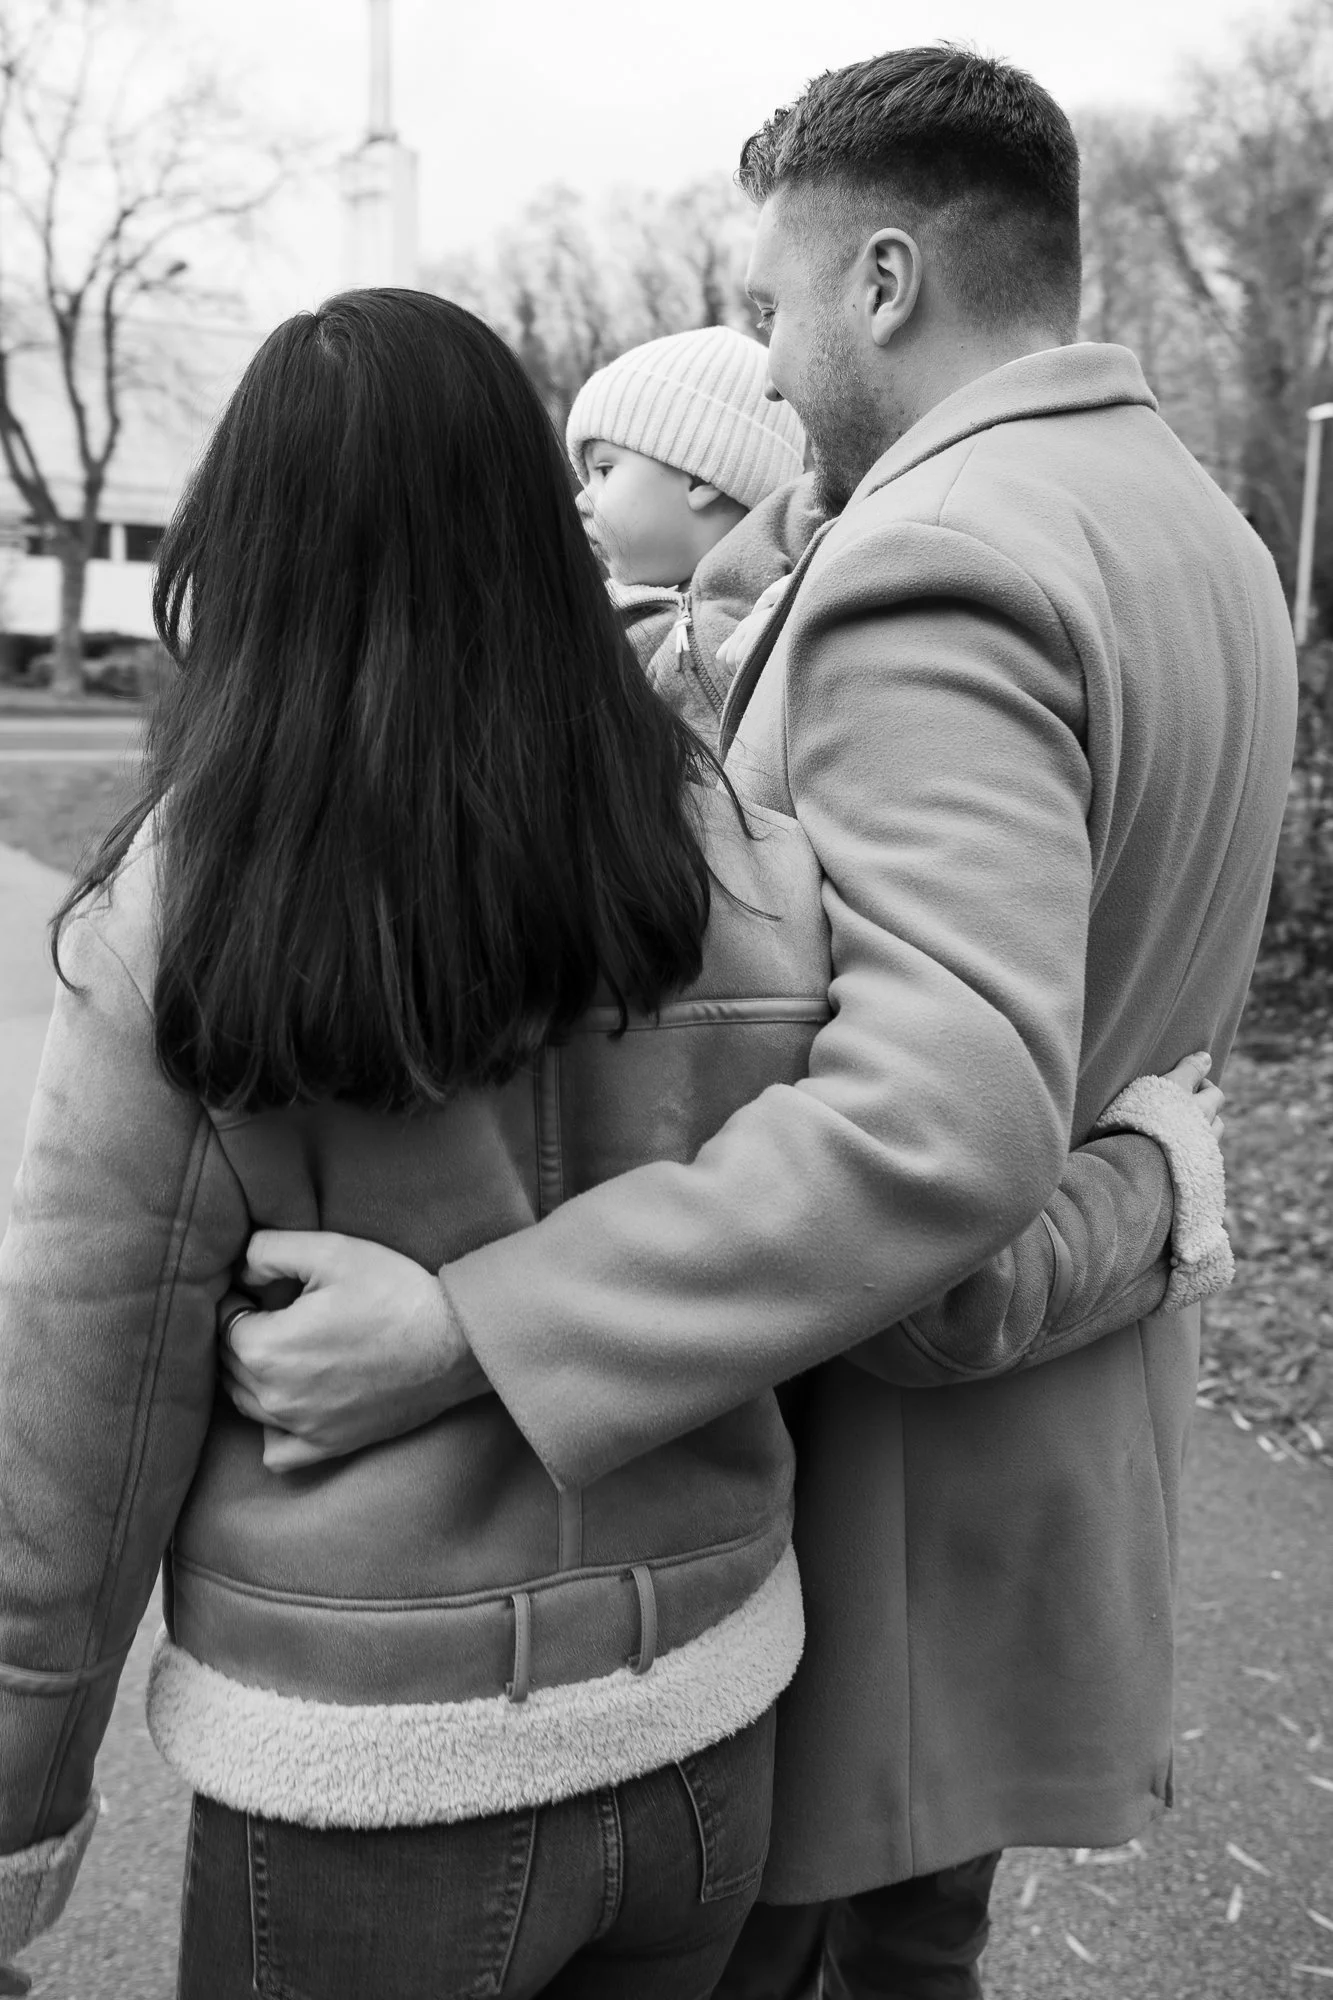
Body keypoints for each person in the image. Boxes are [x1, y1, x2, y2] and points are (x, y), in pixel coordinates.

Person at [218, 45, 1300, 2000]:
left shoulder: (937, 554)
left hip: (863, 1579)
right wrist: (1154, 1177)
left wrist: (469, 1326)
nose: (771, 364)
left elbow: (927, 1157)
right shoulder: (1207, 535)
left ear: (882, 279)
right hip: (1040, 1549)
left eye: (773, 302)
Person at [0, 289, 1224, 2000]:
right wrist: (1150, 1181)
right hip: (705, 1742)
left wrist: (18, 1818)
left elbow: (80, 1404)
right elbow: (902, 1225)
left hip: (375, 1772)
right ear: (525, 523)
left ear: (243, 540)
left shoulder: (192, 900)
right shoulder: (737, 850)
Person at [568, 323, 821, 742]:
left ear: (699, 478)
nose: (581, 501)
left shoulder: (799, 597)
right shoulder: (592, 632)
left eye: (604, 471)